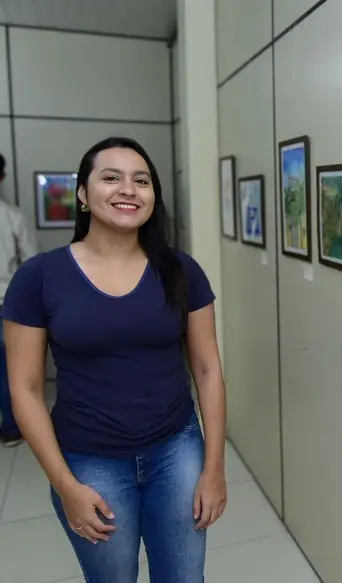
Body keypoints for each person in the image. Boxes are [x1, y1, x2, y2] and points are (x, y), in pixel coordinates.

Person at [1, 137, 227, 583]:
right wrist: (65, 485)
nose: (128, 189)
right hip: (89, 460)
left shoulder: (180, 271)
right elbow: (24, 389)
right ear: (83, 194)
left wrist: (214, 467)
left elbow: (207, 370)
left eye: (141, 181)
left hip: (176, 450)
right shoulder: (38, 277)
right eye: (111, 178)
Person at [0, 153, 37, 447]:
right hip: (6, 300)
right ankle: (12, 429)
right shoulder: (11, 216)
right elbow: (31, 262)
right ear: (2, 177)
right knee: (8, 366)